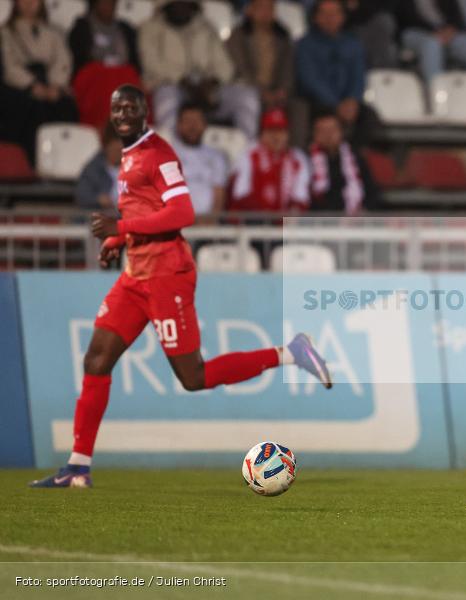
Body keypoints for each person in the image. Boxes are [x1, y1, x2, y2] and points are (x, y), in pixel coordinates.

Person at [29, 85, 331, 489]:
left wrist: (121, 227)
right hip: (135, 276)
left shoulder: (158, 154)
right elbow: (145, 210)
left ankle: (291, 353)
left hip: (166, 277)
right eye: (116, 108)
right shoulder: (128, 153)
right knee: (96, 360)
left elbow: (182, 211)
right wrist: (118, 243)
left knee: (194, 376)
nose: (122, 114)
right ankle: (78, 468)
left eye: (130, 108)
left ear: (144, 112)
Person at [139, 0, 261, 139]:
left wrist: (212, 82)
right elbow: (152, 65)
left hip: (207, 90)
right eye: (177, 4)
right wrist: (183, 81)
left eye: (186, 4)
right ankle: (169, 153)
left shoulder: (206, 27)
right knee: (167, 96)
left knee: (246, 96)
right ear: (165, 6)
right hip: (174, 88)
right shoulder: (150, 28)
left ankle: (245, 152)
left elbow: (225, 66)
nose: (182, 7)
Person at [0, 0, 78, 162]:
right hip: (20, 87)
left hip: (50, 84)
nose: (29, 3)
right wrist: (32, 86)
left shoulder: (53, 32)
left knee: (66, 105)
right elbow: (10, 67)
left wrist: (55, 85)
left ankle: (63, 160)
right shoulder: (6, 33)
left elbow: (62, 61)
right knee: (27, 107)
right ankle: (28, 160)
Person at [294, 0, 374, 144]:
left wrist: (353, 100)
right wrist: (336, 104)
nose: (330, 18)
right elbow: (309, 80)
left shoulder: (353, 44)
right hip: (318, 102)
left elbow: (358, 77)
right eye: (325, 14)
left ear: (343, 17)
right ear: (315, 17)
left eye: (335, 13)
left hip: (347, 103)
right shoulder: (304, 45)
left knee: (370, 118)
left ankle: (357, 161)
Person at [69, 0, 143, 130]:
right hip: (94, 76)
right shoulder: (81, 27)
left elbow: (135, 63)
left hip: (122, 73)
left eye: (111, 3)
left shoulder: (126, 29)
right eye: (104, 3)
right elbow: (78, 61)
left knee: (130, 79)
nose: (108, 7)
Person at [230, 107, 311, 213]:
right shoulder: (248, 154)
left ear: (287, 134)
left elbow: (301, 198)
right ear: (262, 134)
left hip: (285, 224)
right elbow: (240, 194)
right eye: (271, 130)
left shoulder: (298, 159)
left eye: (280, 131)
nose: (276, 136)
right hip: (252, 222)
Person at [395, 0, 466, 84]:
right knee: (432, 44)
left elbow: (457, 18)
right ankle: (434, 93)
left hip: (445, 31)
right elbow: (403, 18)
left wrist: (451, 29)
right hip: (414, 31)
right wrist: (434, 32)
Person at [307, 111, 381, 214]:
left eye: (332, 130)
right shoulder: (305, 161)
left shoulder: (355, 158)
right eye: (323, 131)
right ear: (314, 134)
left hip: (352, 222)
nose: (328, 135)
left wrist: (364, 209)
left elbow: (371, 192)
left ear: (341, 132)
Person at [226, 0, 294, 112]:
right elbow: (241, 69)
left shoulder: (283, 36)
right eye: (261, 7)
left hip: (276, 90)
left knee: (298, 105)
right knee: (248, 100)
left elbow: (288, 69)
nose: (265, 12)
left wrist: (283, 90)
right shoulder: (237, 36)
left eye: (270, 8)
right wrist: (260, 92)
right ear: (249, 10)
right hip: (248, 88)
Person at [169, 103, 229, 217]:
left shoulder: (216, 157)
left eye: (197, 121)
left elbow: (219, 194)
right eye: (188, 122)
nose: (192, 126)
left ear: (205, 125)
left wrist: (211, 221)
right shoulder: (167, 156)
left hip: (207, 226)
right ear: (178, 125)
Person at [75, 124, 123, 210]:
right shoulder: (93, 169)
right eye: (117, 150)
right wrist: (98, 200)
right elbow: (81, 196)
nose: (120, 153)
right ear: (106, 146)